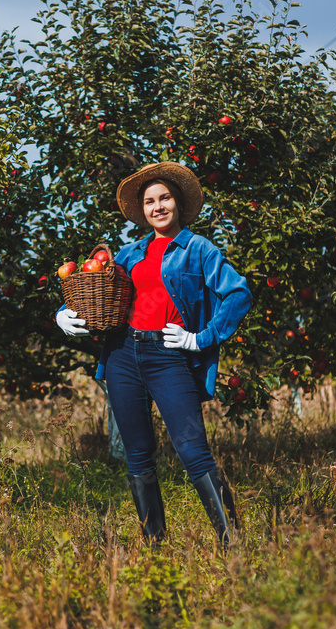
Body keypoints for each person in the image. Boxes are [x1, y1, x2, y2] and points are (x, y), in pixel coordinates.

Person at [55, 162, 252, 546]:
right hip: (122, 354)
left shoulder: (199, 249)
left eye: (164, 198)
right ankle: (155, 544)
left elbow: (238, 293)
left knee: (193, 451)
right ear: (142, 210)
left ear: (177, 203)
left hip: (169, 354)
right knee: (138, 457)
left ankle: (234, 543)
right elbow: (94, 286)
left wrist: (201, 338)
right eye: (149, 201)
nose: (157, 206)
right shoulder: (128, 254)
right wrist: (63, 313)